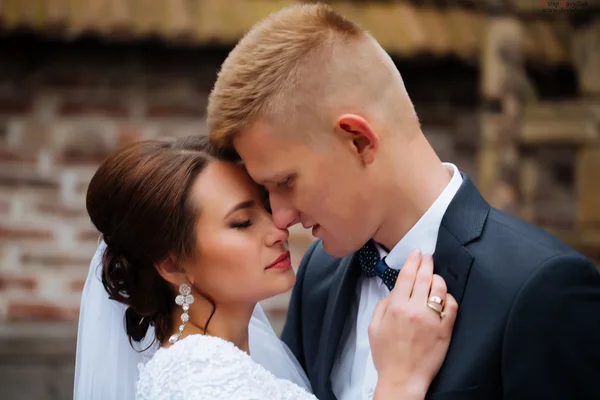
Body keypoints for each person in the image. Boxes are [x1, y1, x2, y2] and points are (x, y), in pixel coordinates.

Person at [207, 3, 600, 400]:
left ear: (359, 140)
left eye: (286, 182)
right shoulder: (319, 275)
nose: (281, 215)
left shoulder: (541, 290)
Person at [73, 135, 458, 400]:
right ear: (173, 264)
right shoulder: (202, 382)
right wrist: (398, 384)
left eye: (266, 206)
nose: (278, 229)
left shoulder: (237, 360)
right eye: (242, 223)